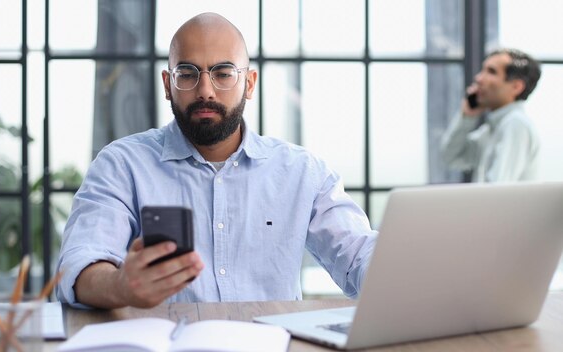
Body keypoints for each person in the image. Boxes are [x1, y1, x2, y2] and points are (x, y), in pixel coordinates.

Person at [55, 12, 377, 309]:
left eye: (223, 73)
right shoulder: (121, 165)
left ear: (248, 84)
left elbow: (360, 257)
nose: (205, 90)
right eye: (187, 73)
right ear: (168, 85)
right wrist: (120, 285)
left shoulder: (303, 173)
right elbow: (80, 264)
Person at [441, 48, 541, 182]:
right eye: (483, 70)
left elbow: (496, 192)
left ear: (516, 87)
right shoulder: (491, 130)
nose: (478, 78)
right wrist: (467, 117)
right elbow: (451, 156)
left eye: (491, 71)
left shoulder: (515, 124)